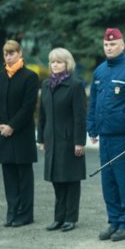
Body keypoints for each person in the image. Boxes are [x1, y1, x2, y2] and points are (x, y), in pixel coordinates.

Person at [87, 28, 125, 242]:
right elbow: (93, 102)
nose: (109, 48)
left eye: (113, 44)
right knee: (108, 182)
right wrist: (92, 127)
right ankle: (114, 221)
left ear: (122, 45)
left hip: (124, 138)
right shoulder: (100, 71)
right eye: (106, 45)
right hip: (105, 136)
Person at [37, 48, 87, 232]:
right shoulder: (45, 85)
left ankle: (70, 218)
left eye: (59, 61)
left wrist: (79, 141)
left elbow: (80, 116)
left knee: (71, 180)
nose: (55, 65)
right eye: (52, 62)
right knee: (56, 179)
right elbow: (41, 114)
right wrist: (41, 138)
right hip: (52, 139)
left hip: (69, 140)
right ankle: (58, 217)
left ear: (67, 64)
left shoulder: (75, 86)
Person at [0, 40, 39, 227]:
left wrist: (12, 126)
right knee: (9, 176)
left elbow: (28, 107)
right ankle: (12, 212)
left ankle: (25, 214)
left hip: (21, 135)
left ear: (20, 53)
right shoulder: (0, 77)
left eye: (12, 53)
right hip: (3, 134)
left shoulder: (30, 77)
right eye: (6, 53)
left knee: (24, 177)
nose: (8, 57)